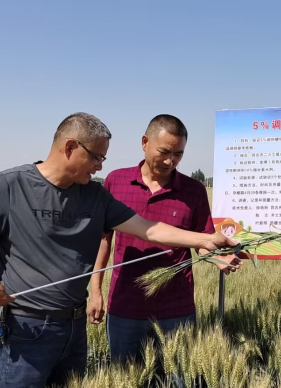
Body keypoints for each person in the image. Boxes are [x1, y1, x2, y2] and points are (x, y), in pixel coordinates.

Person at [0, 112, 237, 388]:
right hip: (27, 328)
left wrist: (206, 241)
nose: (101, 166)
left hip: (74, 328)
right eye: (96, 157)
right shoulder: (10, 185)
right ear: (70, 147)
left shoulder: (94, 195)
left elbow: (148, 228)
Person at [89, 114, 242, 364]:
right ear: (145, 142)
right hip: (125, 304)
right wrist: (95, 291)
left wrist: (218, 259)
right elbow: (103, 241)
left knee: (178, 376)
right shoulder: (116, 181)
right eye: (164, 152)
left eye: (178, 154)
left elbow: (202, 242)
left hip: (176, 308)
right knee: (123, 374)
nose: (171, 161)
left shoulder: (193, 191)